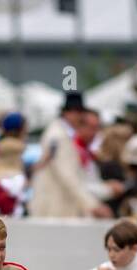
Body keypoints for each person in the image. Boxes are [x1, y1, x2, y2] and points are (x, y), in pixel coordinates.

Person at [28, 91, 111, 219]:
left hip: (56, 205)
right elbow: (67, 175)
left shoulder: (61, 133)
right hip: (55, 207)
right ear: (67, 113)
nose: (80, 117)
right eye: (77, 112)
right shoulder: (59, 136)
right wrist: (92, 205)